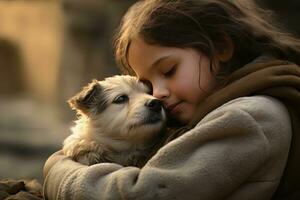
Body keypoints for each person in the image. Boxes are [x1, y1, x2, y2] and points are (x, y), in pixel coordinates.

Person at [43, 0, 300, 199]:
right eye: (149, 84)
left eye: (168, 71)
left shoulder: (250, 116)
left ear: (221, 48)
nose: (156, 95)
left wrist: (58, 170)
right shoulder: (215, 110)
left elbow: (143, 194)